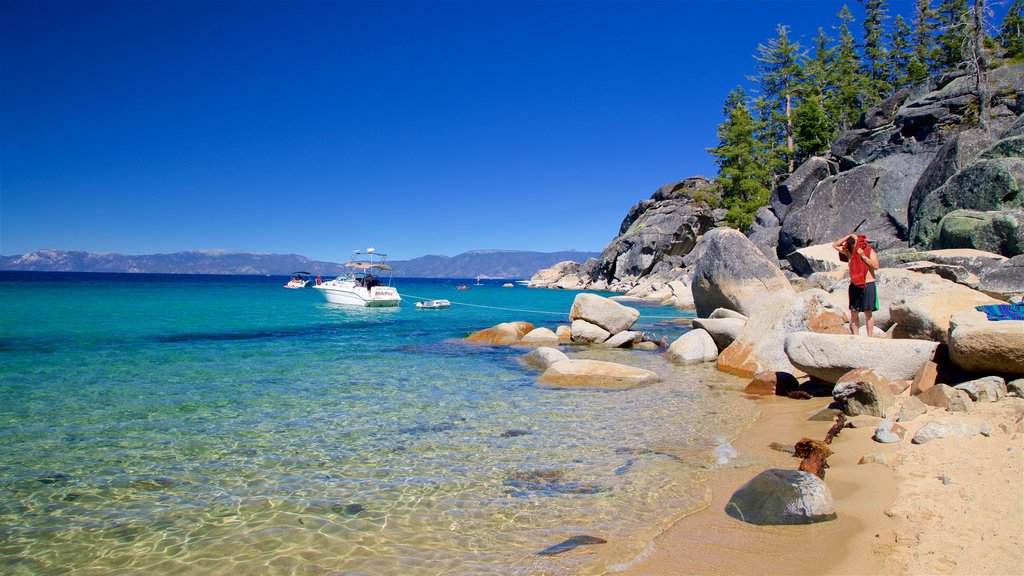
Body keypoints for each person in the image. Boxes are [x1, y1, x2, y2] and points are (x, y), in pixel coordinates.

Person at [832, 232, 880, 337]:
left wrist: (863, 256)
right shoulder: (849, 253)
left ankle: (870, 336)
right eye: (851, 244)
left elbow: (876, 266)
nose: (853, 246)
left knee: (868, 312)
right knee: (854, 312)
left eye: (854, 243)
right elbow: (835, 245)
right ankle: (856, 336)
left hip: (868, 284)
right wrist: (849, 235)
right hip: (855, 285)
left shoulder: (868, 251)